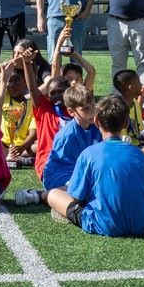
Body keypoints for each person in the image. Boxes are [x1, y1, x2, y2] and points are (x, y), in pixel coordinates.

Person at [50, 95, 144, 238]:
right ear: (126, 123)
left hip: (105, 225)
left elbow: (76, 196)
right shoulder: (139, 154)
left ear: (96, 121)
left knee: (54, 194)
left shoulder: (88, 154)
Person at [40, 85, 103, 220]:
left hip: (80, 173)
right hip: (60, 175)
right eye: (85, 109)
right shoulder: (67, 135)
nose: (92, 111)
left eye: (93, 106)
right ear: (71, 111)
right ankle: (43, 195)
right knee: (89, 191)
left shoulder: (96, 126)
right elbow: (64, 165)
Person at [0, 44, 40, 170]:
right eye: (9, 81)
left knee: (39, 145)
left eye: (17, 81)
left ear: (26, 83)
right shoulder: (3, 95)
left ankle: (15, 157)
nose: (12, 85)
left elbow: (34, 131)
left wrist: (22, 146)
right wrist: (12, 61)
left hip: (25, 147)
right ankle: (18, 159)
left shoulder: (31, 101)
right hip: (2, 144)